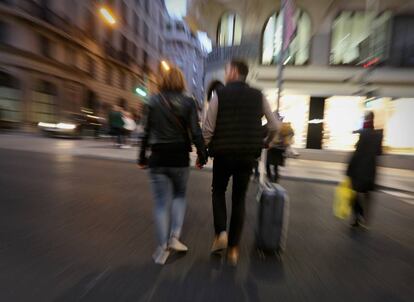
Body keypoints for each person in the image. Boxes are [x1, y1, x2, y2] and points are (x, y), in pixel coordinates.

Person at [203, 59, 280, 265]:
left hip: (223, 155)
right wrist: (267, 142)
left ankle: (221, 233)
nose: (225, 73)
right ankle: (234, 249)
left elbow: (208, 129)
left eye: (227, 69)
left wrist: (205, 148)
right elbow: (274, 125)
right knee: (239, 199)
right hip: (247, 155)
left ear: (234, 72)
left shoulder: (219, 94)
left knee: (218, 192)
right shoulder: (258, 95)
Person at [138, 66, 208, 265]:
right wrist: (202, 155)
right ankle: (174, 236)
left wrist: (142, 157)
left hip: (158, 158)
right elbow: (195, 131)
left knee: (161, 204)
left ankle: (162, 249)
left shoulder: (152, 100)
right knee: (179, 195)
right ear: (181, 82)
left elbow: (146, 132)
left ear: (163, 81)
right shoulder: (189, 102)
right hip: (179, 158)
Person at [347, 111, 383, 228]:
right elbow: (379, 152)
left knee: (355, 192)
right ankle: (366, 220)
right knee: (367, 194)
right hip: (370, 168)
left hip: (358, 167)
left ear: (366, 119)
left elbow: (357, 151)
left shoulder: (363, 133)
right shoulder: (377, 134)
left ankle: (357, 217)